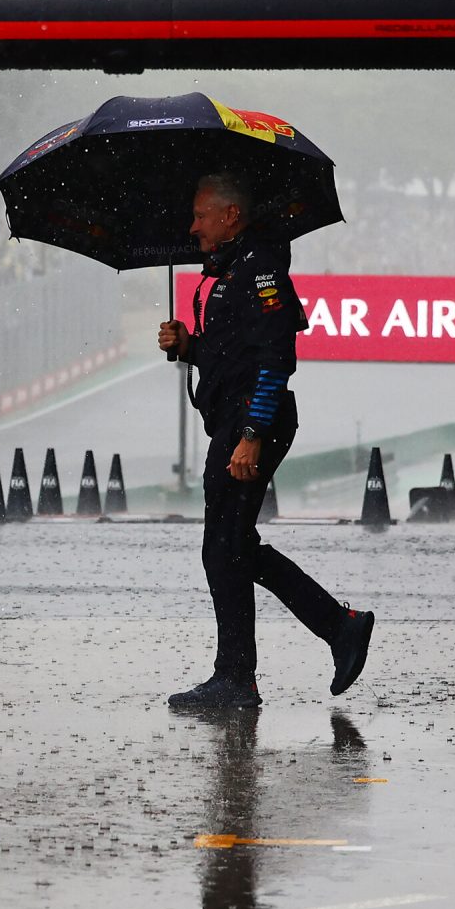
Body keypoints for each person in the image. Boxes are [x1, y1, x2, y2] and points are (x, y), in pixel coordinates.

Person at [157, 169, 374, 711]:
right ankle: (333, 628)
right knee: (229, 548)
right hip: (232, 422)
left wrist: (252, 434)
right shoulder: (227, 267)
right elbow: (233, 353)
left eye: (202, 215)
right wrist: (190, 345)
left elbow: (277, 359)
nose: (194, 226)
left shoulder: (262, 267)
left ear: (230, 215)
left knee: (225, 549)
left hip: (256, 423)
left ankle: (241, 676)